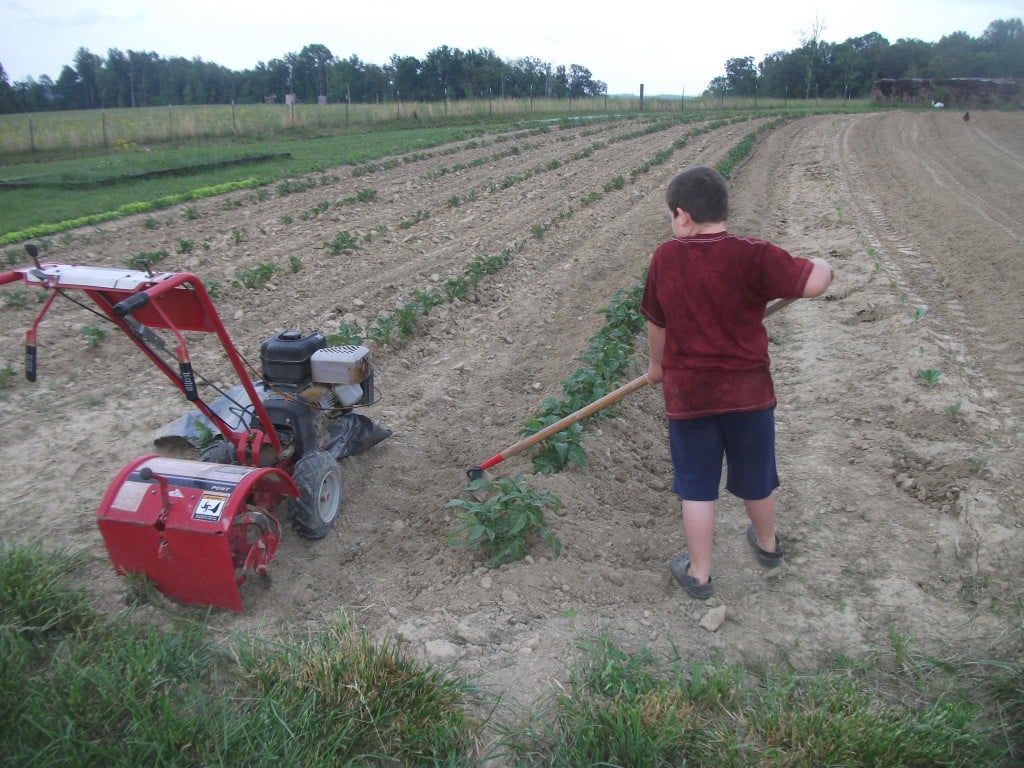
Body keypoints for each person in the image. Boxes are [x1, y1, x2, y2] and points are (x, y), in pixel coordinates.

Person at [640, 165, 833, 599]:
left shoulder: (666, 258)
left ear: (682, 215)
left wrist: (658, 367)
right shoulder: (753, 253)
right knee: (757, 476)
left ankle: (700, 573)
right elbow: (815, 282)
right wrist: (823, 264)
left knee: (697, 489)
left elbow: (658, 324)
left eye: (671, 216)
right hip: (749, 397)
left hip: (690, 399)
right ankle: (767, 546)